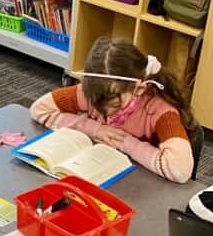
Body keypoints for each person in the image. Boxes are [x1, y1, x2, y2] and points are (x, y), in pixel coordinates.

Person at [30, 37, 199, 183]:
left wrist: (126, 143)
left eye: (114, 105)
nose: (106, 111)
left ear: (138, 89)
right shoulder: (96, 93)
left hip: (141, 187)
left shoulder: (159, 110)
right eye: (98, 105)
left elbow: (180, 170)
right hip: (99, 171)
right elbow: (39, 109)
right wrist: (94, 128)